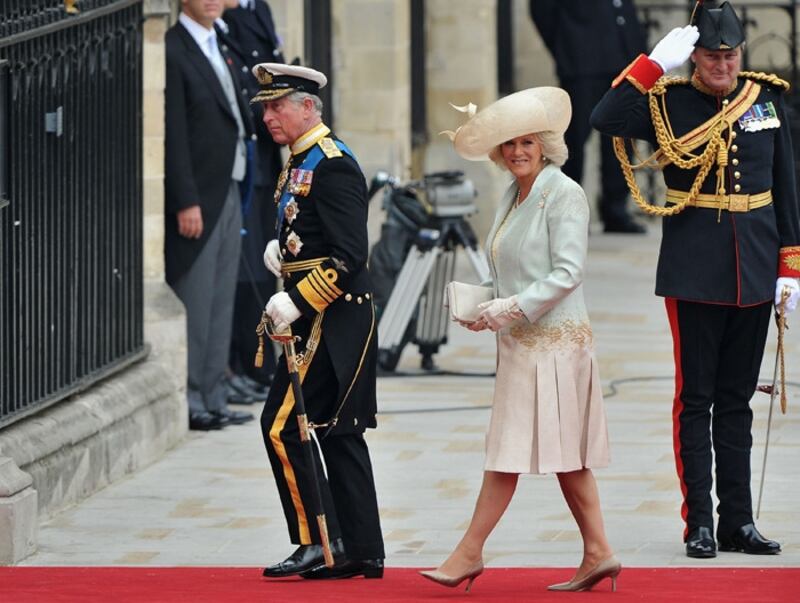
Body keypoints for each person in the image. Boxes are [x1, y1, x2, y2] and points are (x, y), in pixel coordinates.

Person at [591, 1, 800, 558]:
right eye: (712, 56)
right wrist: (652, 66)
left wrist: (790, 266)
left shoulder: (767, 99)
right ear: (695, 57)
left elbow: (786, 188)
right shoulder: (669, 102)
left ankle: (739, 521)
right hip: (695, 268)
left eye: (730, 55)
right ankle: (700, 524)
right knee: (697, 399)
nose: (723, 65)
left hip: (754, 268)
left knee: (738, 401)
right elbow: (604, 119)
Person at [421, 87, 618, 593]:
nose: (517, 152)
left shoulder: (564, 192)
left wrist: (508, 308)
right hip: (521, 346)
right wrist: (479, 301)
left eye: (526, 142)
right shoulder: (512, 192)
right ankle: (599, 552)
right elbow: (510, 274)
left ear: (545, 144)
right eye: (508, 145)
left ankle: (469, 552)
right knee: (564, 460)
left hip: (556, 345)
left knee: (510, 453)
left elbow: (569, 272)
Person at [253, 63, 385, 580]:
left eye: (277, 106)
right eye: (265, 107)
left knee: (282, 426)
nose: (268, 116)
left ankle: (318, 539)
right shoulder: (301, 157)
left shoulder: (331, 163)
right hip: (318, 319)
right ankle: (360, 549)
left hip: (333, 320)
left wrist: (299, 298)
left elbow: (351, 253)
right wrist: (283, 257)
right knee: (337, 433)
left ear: (308, 107)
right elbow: (309, 233)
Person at [164, 0, 255, 431]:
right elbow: (173, 133)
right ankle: (191, 398)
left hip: (230, 186)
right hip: (199, 196)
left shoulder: (221, 39)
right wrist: (185, 200)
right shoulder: (173, 47)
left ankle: (214, 394)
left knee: (221, 299)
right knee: (197, 301)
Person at [215, 0, 286, 404]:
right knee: (242, 270)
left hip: (263, 156)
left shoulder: (257, 8)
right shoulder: (227, 18)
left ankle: (256, 363)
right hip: (246, 160)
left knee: (262, 268)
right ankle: (241, 362)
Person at [530, 0, 647, 233]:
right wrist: (565, 46)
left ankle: (615, 210)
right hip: (581, 63)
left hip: (623, 62)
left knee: (619, 140)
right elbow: (542, 10)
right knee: (572, 140)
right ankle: (566, 212)